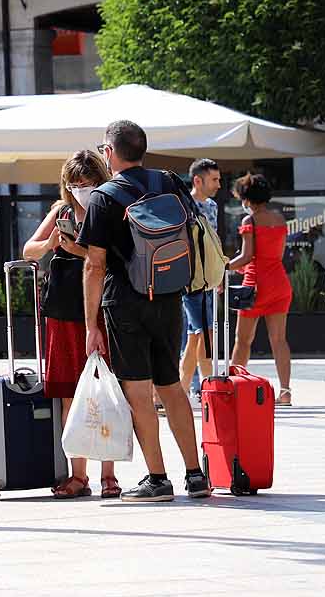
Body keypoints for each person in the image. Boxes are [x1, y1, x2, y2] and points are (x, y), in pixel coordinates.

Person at [81, 119, 210, 502]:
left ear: (109, 152)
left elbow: (94, 265)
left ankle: (157, 479)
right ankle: (196, 475)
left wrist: (90, 325)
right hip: (169, 296)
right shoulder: (169, 182)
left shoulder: (104, 197)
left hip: (125, 302)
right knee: (172, 386)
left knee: (138, 392)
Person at [22, 149, 119, 499]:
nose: (80, 190)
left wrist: (79, 251)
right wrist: (51, 243)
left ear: (99, 181)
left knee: (104, 393)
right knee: (68, 395)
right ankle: (79, 475)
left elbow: (115, 260)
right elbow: (28, 250)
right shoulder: (61, 211)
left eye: (87, 183)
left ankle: (109, 474)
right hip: (62, 312)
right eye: (75, 184)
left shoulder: (108, 209)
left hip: (99, 312)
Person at [225, 172, 293, 405]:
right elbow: (275, 255)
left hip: (254, 287)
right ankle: (285, 391)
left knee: (243, 340)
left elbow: (247, 256)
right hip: (279, 283)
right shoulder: (279, 219)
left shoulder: (249, 221)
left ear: (247, 198)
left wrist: (224, 267)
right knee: (279, 340)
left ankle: (234, 387)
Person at [178, 157, 221, 402]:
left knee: (196, 335)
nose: (218, 184)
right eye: (214, 179)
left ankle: (184, 389)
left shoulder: (212, 206)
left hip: (208, 280)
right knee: (204, 333)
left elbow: (214, 242)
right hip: (191, 280)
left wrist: (218, 274)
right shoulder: (185, 206)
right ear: (197, 180)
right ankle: (207, 387)